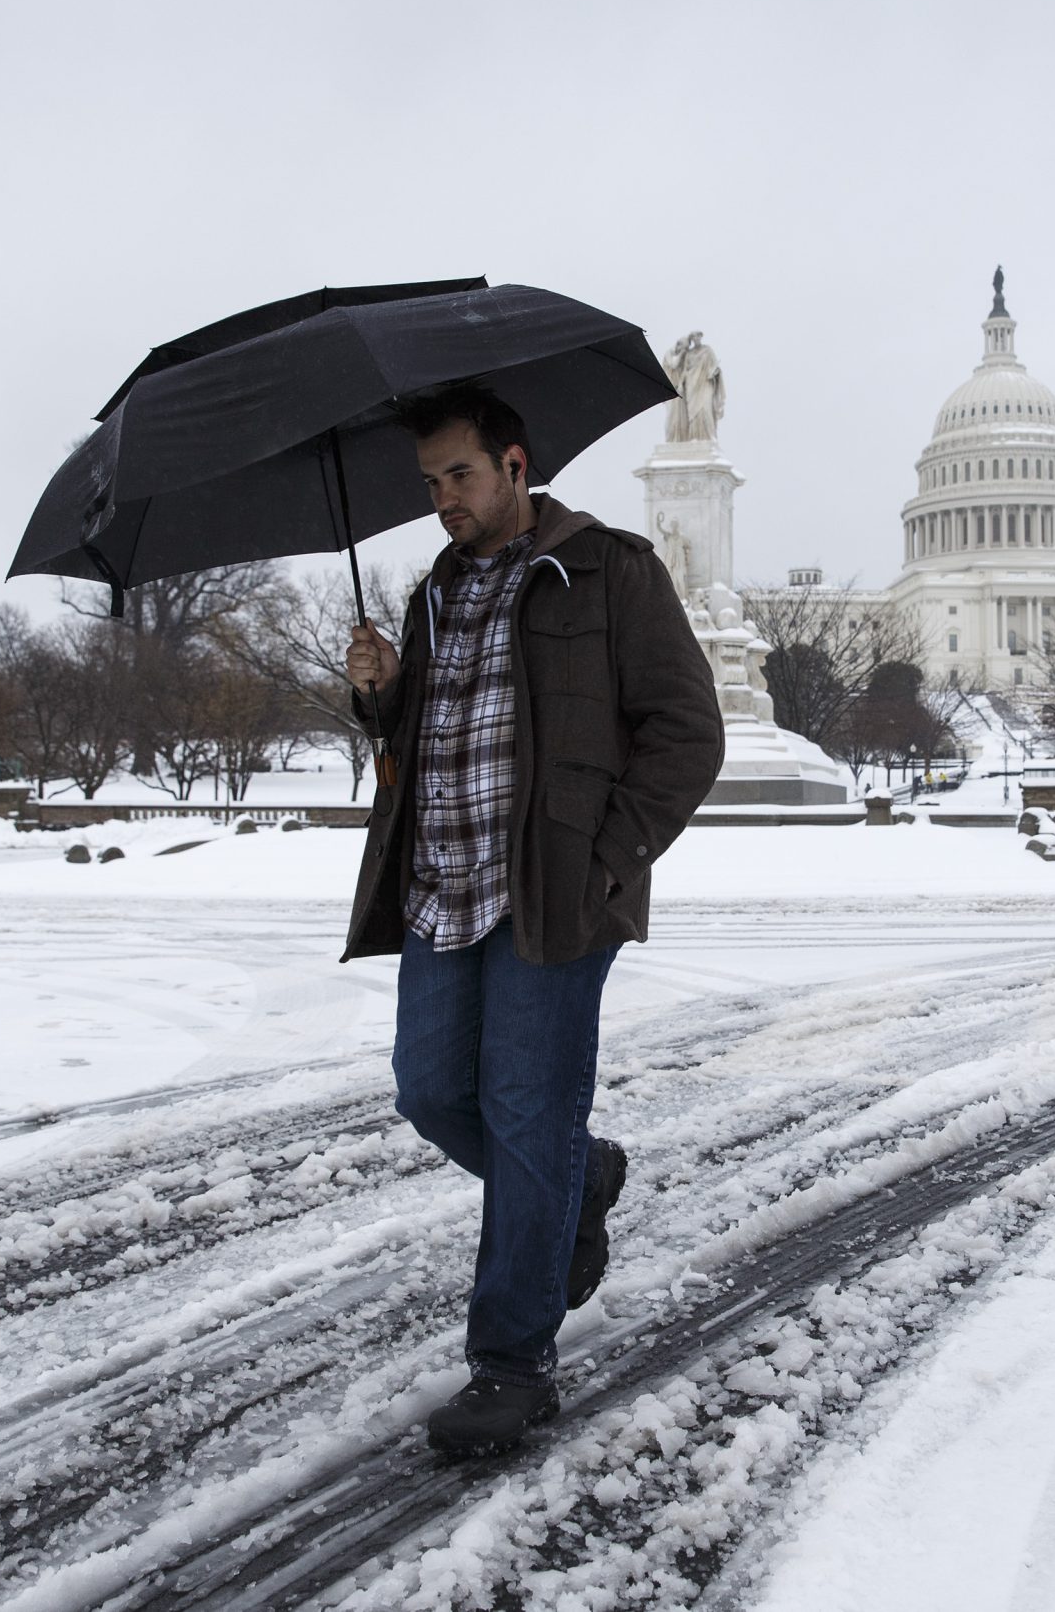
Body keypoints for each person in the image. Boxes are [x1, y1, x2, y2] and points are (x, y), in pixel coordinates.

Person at [342, 383, 725, 1455]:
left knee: (522, 1113)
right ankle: (581, 1174)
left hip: (552, 897)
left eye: (458, 475)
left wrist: (606, 864)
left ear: (515, 464)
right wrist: (380, 695)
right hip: (439, 887)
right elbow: (423, 737)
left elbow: (687, 732)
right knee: (431, 1094)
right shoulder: (432, 591)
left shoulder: (608, 569)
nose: (442, 498)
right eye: (430, 482)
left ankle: (510, 1364)